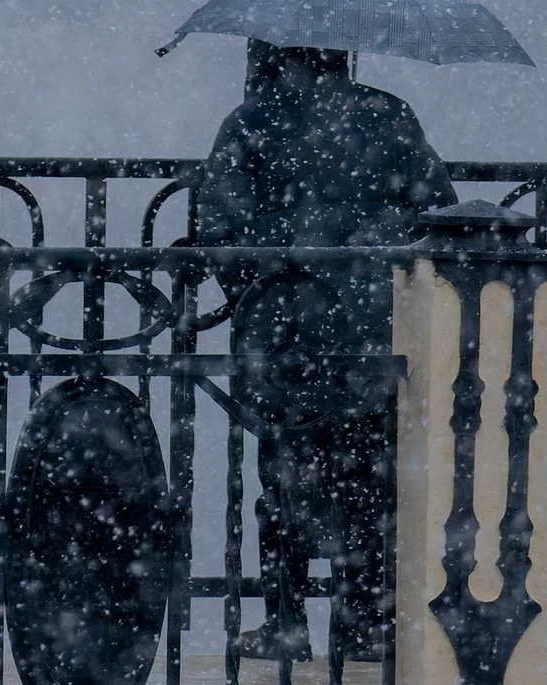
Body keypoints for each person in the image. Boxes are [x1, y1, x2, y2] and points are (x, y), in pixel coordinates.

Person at [195, 39, 456, 663]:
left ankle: (286, 621)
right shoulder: (388, 114)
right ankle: (365, 620)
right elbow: (440, 214)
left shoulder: (251, 121)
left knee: (283, 477)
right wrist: (377, 270)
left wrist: (267, 286)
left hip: (285, 338)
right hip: (373, 333)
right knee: (370, 477)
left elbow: (220, 231)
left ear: (273, 54)